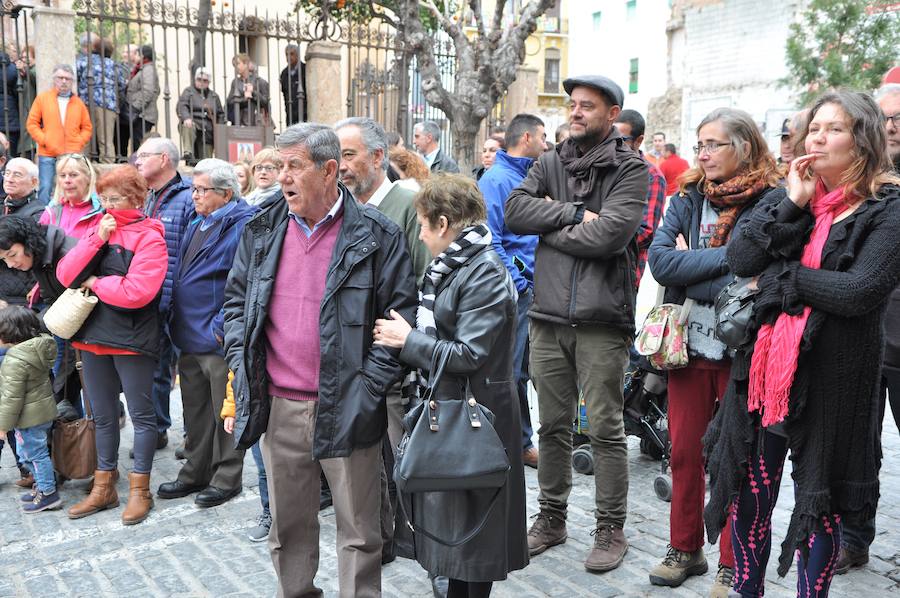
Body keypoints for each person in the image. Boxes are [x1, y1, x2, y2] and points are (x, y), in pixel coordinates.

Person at [702, 90, 900, 598]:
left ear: (864, 140)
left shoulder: (887, 209)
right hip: (769, 374)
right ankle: (747, 590)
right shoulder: (790, 195)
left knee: (819, 505)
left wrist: (784, 281)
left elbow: (859, 291)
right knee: (751, 493)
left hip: (835, 380)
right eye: (814, 127)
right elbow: (743, 258)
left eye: (833, 128)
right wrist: (793, 202)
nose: (817, 137)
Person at [223, 122, 417, 597]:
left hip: (348, 404)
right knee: (288, 529)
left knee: (359, 533)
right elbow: (234, 305)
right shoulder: (262, 227)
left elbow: (399, 322)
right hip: (280, 406)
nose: (280, 177)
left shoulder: (376, 235)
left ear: (330, 170)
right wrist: (241, 360)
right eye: (277, 165)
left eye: (294, 166)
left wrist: (369, 391)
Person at [505, 74, 648, 573]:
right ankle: (552, 517)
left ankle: (610, 528)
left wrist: (552, 228)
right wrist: (572, 214)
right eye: (573, 104)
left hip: (602, 320)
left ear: (612, 114)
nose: (576, 112)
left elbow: (609, 236)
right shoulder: (549, 161)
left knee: (606, 429)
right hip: (546, 317)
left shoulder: (632, 169)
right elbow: (513, 212)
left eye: (587, 105)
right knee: (552, 426)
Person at [647, 108, 783, 595]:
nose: (702, 154)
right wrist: (729, 262)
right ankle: (684, 547)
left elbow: (760, 266)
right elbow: (662, 263)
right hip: (689, 346)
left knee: (735, 457)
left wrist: (696, 264)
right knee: (683, 453)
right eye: (699, 144)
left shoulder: (773, 200)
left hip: (744, 351)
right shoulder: (686, 198)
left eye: (714, 144)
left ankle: (732, 560)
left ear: (744, 147)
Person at [373, 173, 528, 597]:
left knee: (473, 542)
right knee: (459, 538)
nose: (420, 236)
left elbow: (469, 355)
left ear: (443, 223)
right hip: (459, 412)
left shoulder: (483, 272)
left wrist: (409, 341)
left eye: (423, 225)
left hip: (478, 418)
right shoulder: (458, 265)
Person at [334, 116, 431, 564]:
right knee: (366, 457)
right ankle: (383, 535)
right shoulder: (343, 206)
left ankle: (418, 540)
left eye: (349, 155)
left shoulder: (409, 203)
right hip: (352, 354)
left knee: (402, 453)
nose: (342, 166)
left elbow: (419, 281)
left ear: (378, 157)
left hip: (393, 353)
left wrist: (398, 344)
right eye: (337, 157)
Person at [59, 164, 168, 526]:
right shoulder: (97, 227)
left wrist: (95, 281)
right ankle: (103, 486)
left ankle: (141, 490)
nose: (108, 205)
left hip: (132, 339)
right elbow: (65, 275)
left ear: (136, 199)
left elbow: (137, 293)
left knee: (141, 415)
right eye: (103, 197)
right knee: (102, 417)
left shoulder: (150, 236)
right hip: (92, 338)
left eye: (115, 198)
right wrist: (96, 240)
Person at [157, 158, 256, 508]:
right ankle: (195, 471)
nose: (194, 196)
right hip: (188, 334)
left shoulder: (243, 225)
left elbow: (240, 283)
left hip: (216, 338)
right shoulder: (199, 222)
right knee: (196, 413)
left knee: (225, 412)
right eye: (193, 189)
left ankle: (227, 478)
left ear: (225, 193)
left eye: (201, 190)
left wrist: (219, 328)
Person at [835, 82, 900, 575]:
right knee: (857, 443)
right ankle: (853, 538)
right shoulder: (859, 178)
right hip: (858, 332)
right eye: (886, 116)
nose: (893, 123)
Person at [477, 113, 545, 471]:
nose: (546, 143)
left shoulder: (526, 175)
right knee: (513, 370)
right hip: (518, 291)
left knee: (528, 370)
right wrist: (520, 283)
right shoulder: (499, 179)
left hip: (533, 289)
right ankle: (516, 443)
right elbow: (493, 238)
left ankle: (520, 439)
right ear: (528, 138)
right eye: (543, 136)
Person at [135, 137, 195, 451]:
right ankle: (158, 428)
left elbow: (192, 252)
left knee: (188, 370)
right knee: (156, 368)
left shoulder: (187, 197)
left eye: (142, 156)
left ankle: (192, 435)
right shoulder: (148, 196)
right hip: (152, 298)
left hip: (182, 301)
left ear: (163, 159)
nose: (137, 161)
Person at [0, 306, 59, 512]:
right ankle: (42, 486)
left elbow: (11, 398)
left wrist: (2, 427)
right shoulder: (35, 349)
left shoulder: (15, 360)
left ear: (9, 333)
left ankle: (48, 493)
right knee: (31, 453)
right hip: (40, 412)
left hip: (28, 418)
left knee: (36, 454)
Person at [613, 109, 666, 289]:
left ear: (639, 141)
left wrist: (599, 233)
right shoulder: (605, 167)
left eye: (621, 140)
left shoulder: (652, 177)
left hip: (623, 276)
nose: (613, 145)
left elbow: (645, 233)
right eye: (609, 138)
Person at [26, 64, 93, 205]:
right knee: (45, 186)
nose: (64, 81)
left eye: (67, 79)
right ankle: (42, 217)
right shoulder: (43, 99)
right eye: (60, 78)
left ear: (72, 81)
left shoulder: (78, 103)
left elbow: (87, 127)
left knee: (71, 186)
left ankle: (68, 213)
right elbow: (32, 123)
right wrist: (44, 140)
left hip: (71, 154)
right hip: (47, 152)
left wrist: (78, 142)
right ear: (54, 79)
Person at [0, 158, 43, 308]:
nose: (10, 179)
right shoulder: (3, 206)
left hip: (19, 298)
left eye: (17, 175)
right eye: (7, 173)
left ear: (34, 182)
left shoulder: (39, 213)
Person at [76, 33, 126, 164]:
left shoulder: (83, 61)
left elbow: (75, 78)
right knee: (106, 139)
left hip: (85, 102)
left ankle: (83, 164)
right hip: (108, 104)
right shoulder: (113, 64)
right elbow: (121, 84)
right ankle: (107, 166)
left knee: (85, 137)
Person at [38, 153, 104, 239]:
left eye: (73, 175)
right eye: (62, 176)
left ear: (88, 178)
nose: (67, 180)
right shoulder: (51, 210)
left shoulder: (100, 213)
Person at [176, 67, 226, 164]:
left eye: (205, 80)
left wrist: (219, 130)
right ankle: (188, 151)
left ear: (209, 82)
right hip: (193, 124)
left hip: (208, 131)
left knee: (206, 163)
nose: (201, 82)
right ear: (195, 80)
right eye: (199, 79)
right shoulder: (188, 91)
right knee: (188, 126)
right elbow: (182, 106)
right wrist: (186, 118)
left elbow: (220, 114)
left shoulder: (214, 96)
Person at [120, 45, 160, 157]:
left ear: (142, 56)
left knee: (139, 145)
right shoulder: (142, 69)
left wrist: (134, 108)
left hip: (143, 114)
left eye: (137, 54)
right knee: (135, 144)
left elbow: (147, 91)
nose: (135, 57)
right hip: (140, 114)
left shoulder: (148, 69)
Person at [227, 54, 270, 127]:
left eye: (238, 64)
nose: (236, 67)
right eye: (234, 65)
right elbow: (229, 102)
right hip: (238, 122)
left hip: (256, 122)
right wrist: (244, 99)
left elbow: (266, 102)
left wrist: (253, 92)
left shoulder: (260, 81)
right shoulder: (235, 82)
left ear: (246, 64)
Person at [0, 51, 21, 157]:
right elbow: (18, 93)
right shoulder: (12, 68)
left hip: (10, 119)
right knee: (9, 155)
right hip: (10, 119)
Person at [279, 44, 305, 127]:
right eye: (287, 54)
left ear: (297, 55)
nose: (289, 57)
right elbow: (284, 92)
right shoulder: (284, 73)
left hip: (304, 113)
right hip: (290, 113)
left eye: (292, 54)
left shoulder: (305, 69)